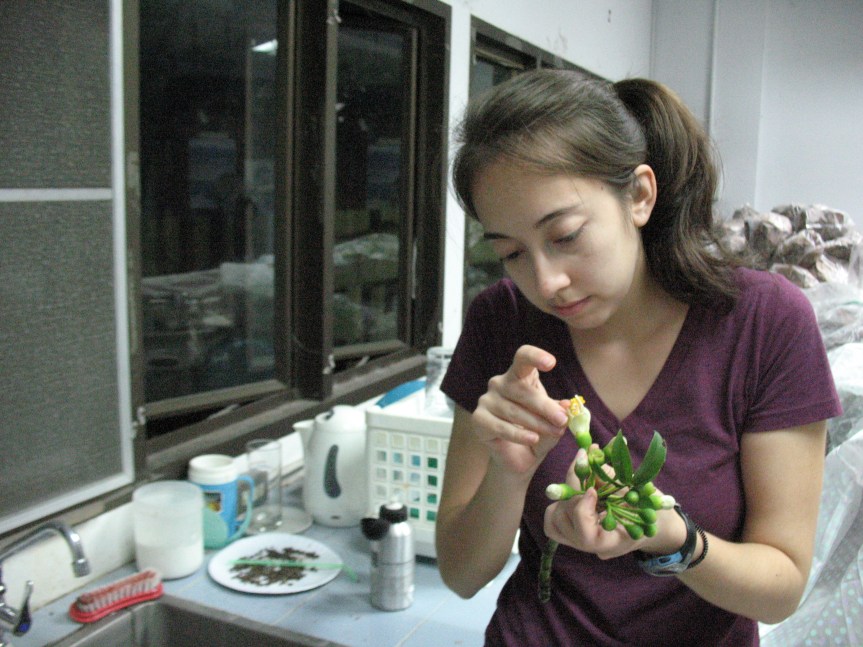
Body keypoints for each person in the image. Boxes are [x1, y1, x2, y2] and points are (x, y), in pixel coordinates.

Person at [435, 70, 842, 646]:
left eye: (567, 235)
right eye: (512, 253)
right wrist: (510, 469)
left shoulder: (763, 323)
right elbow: (461, 573)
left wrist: (673, 538)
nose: (547, 282)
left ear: (640, 195)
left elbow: (780, 586)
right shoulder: (501, 323)